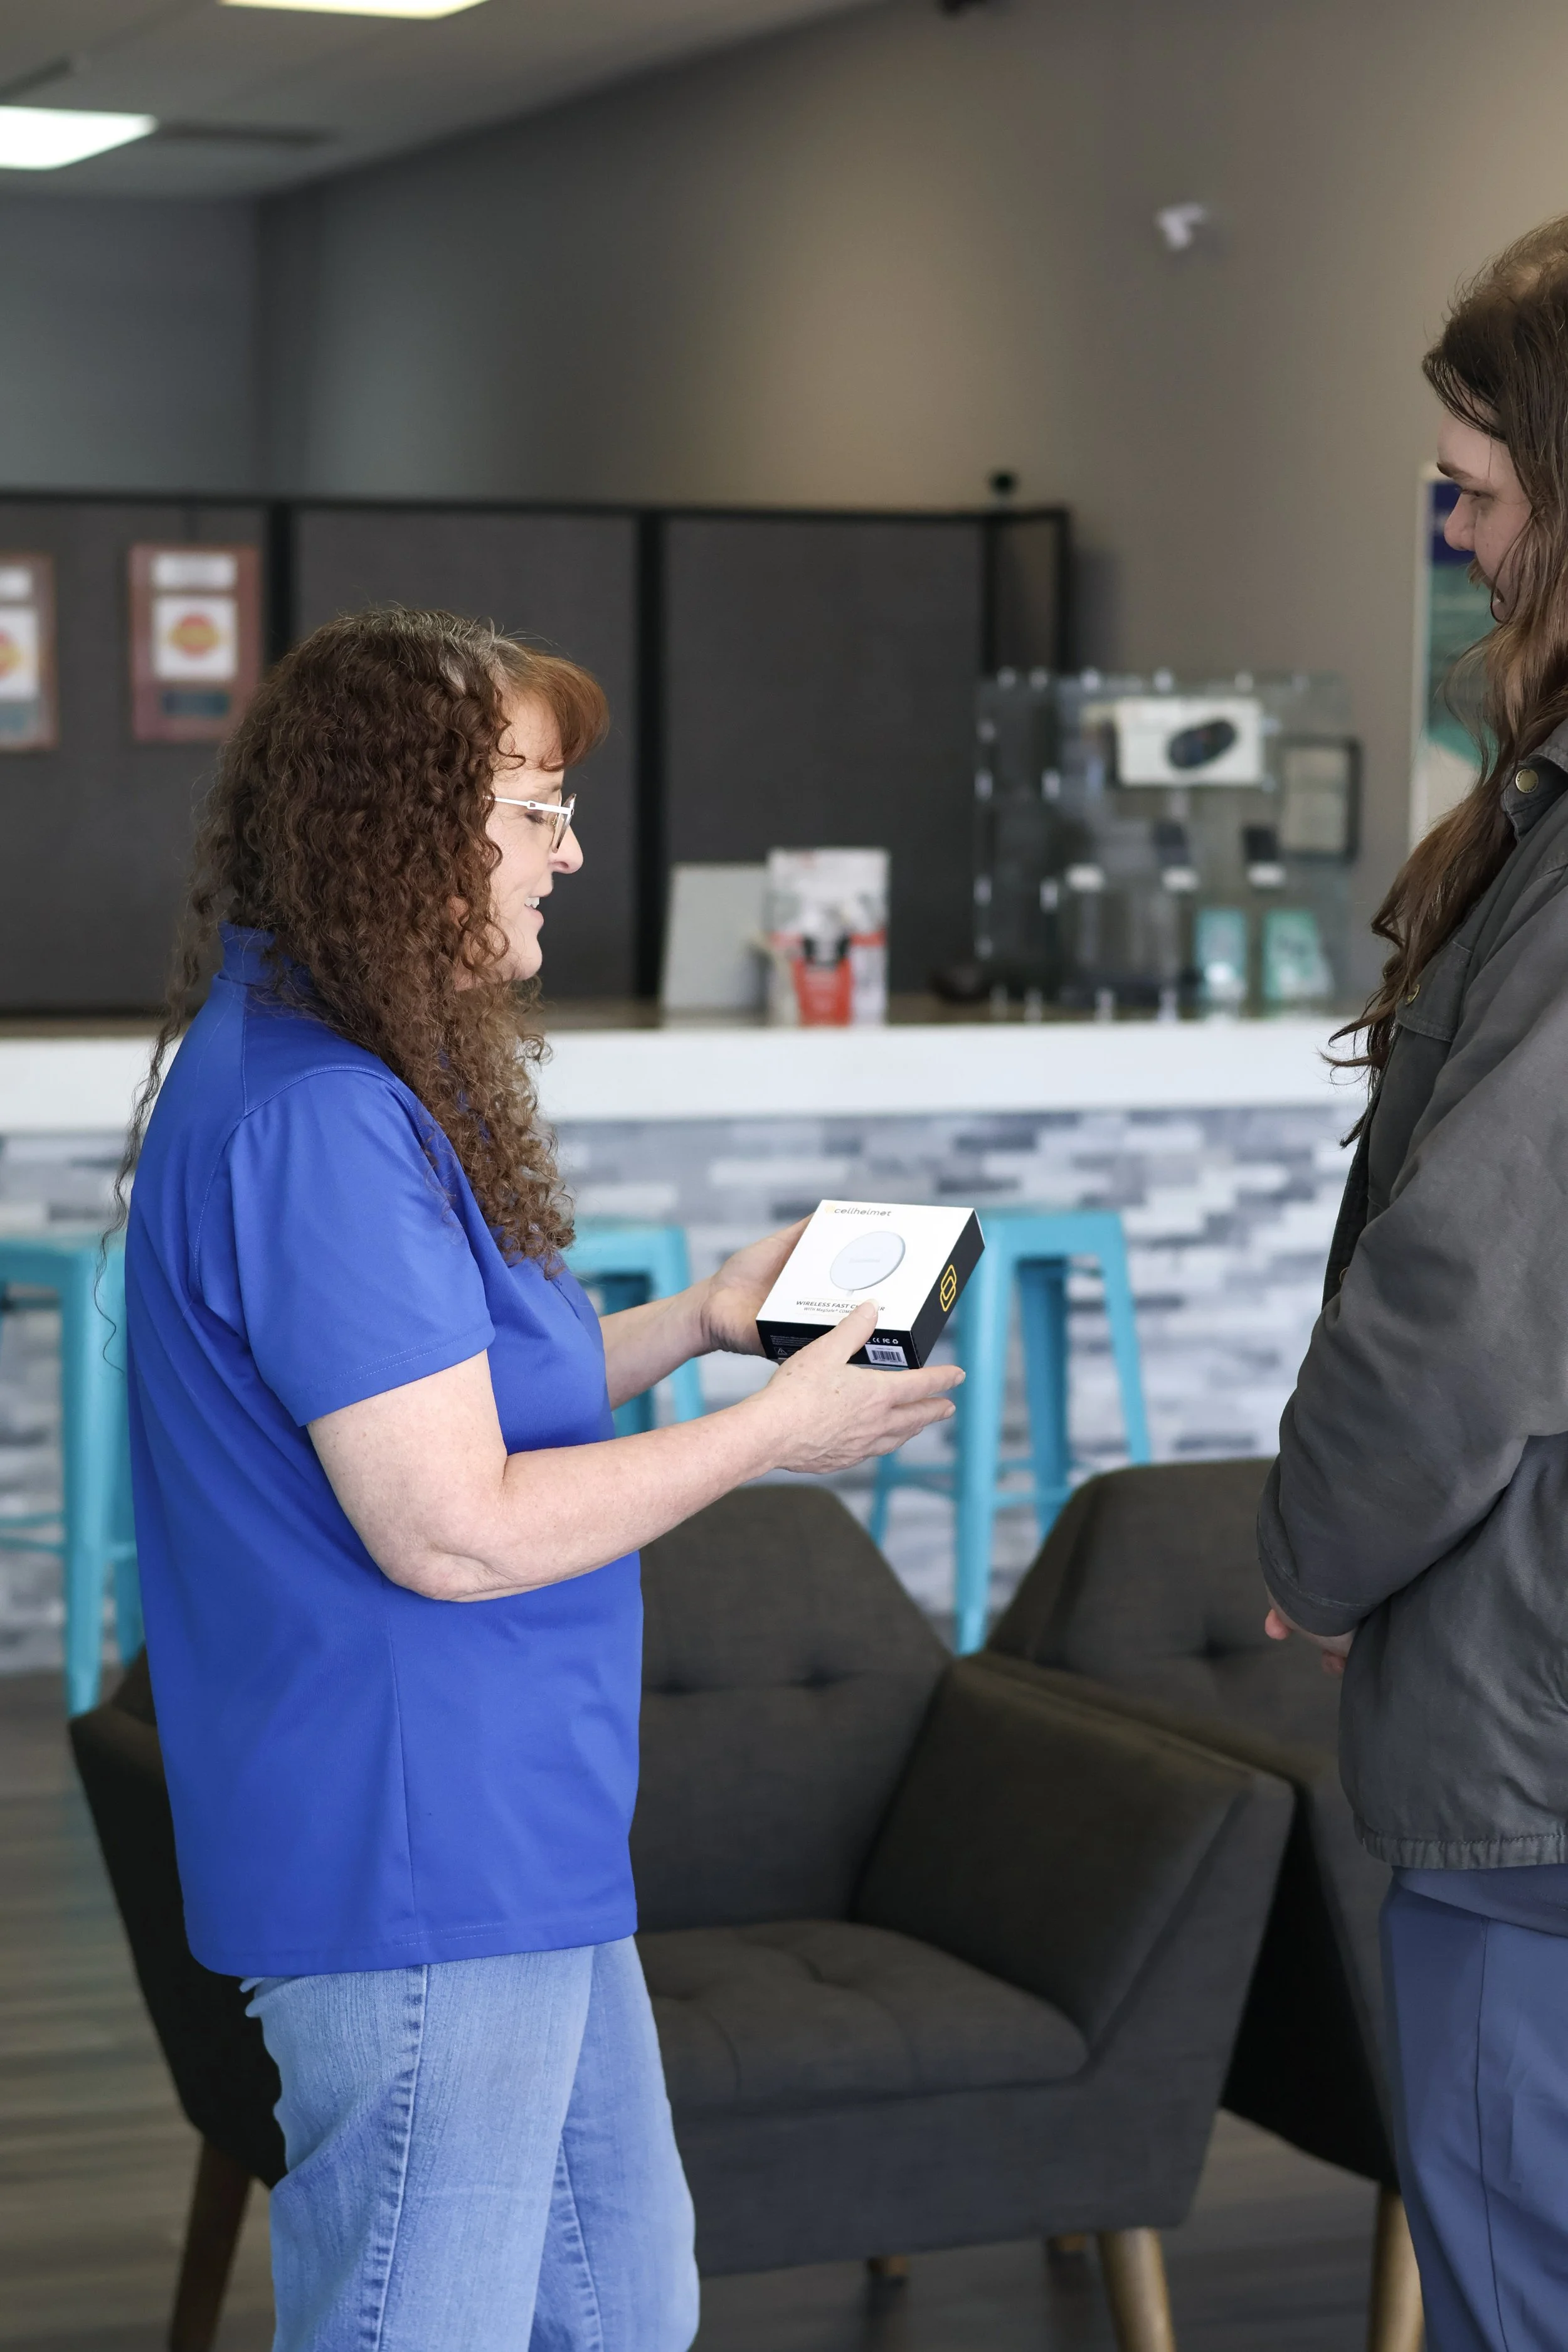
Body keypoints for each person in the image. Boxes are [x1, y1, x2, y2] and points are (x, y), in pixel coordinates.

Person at [119, 607, 961, 2352]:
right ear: (400, 821)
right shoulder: (317, 1116)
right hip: (417, 1844)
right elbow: (450, 1522)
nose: (565, 853)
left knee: (619, 2308)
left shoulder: (343, 1064)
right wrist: (771, 1437)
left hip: (509, 1827)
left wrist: (707, 1322)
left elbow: (456, 1395)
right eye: (534, 810)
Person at [1259, 216, 1568, 2352]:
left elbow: (1458, 1292)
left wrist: (1304, 1548)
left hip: (1533, 1763)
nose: (1443, 532)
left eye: (1469, 489)